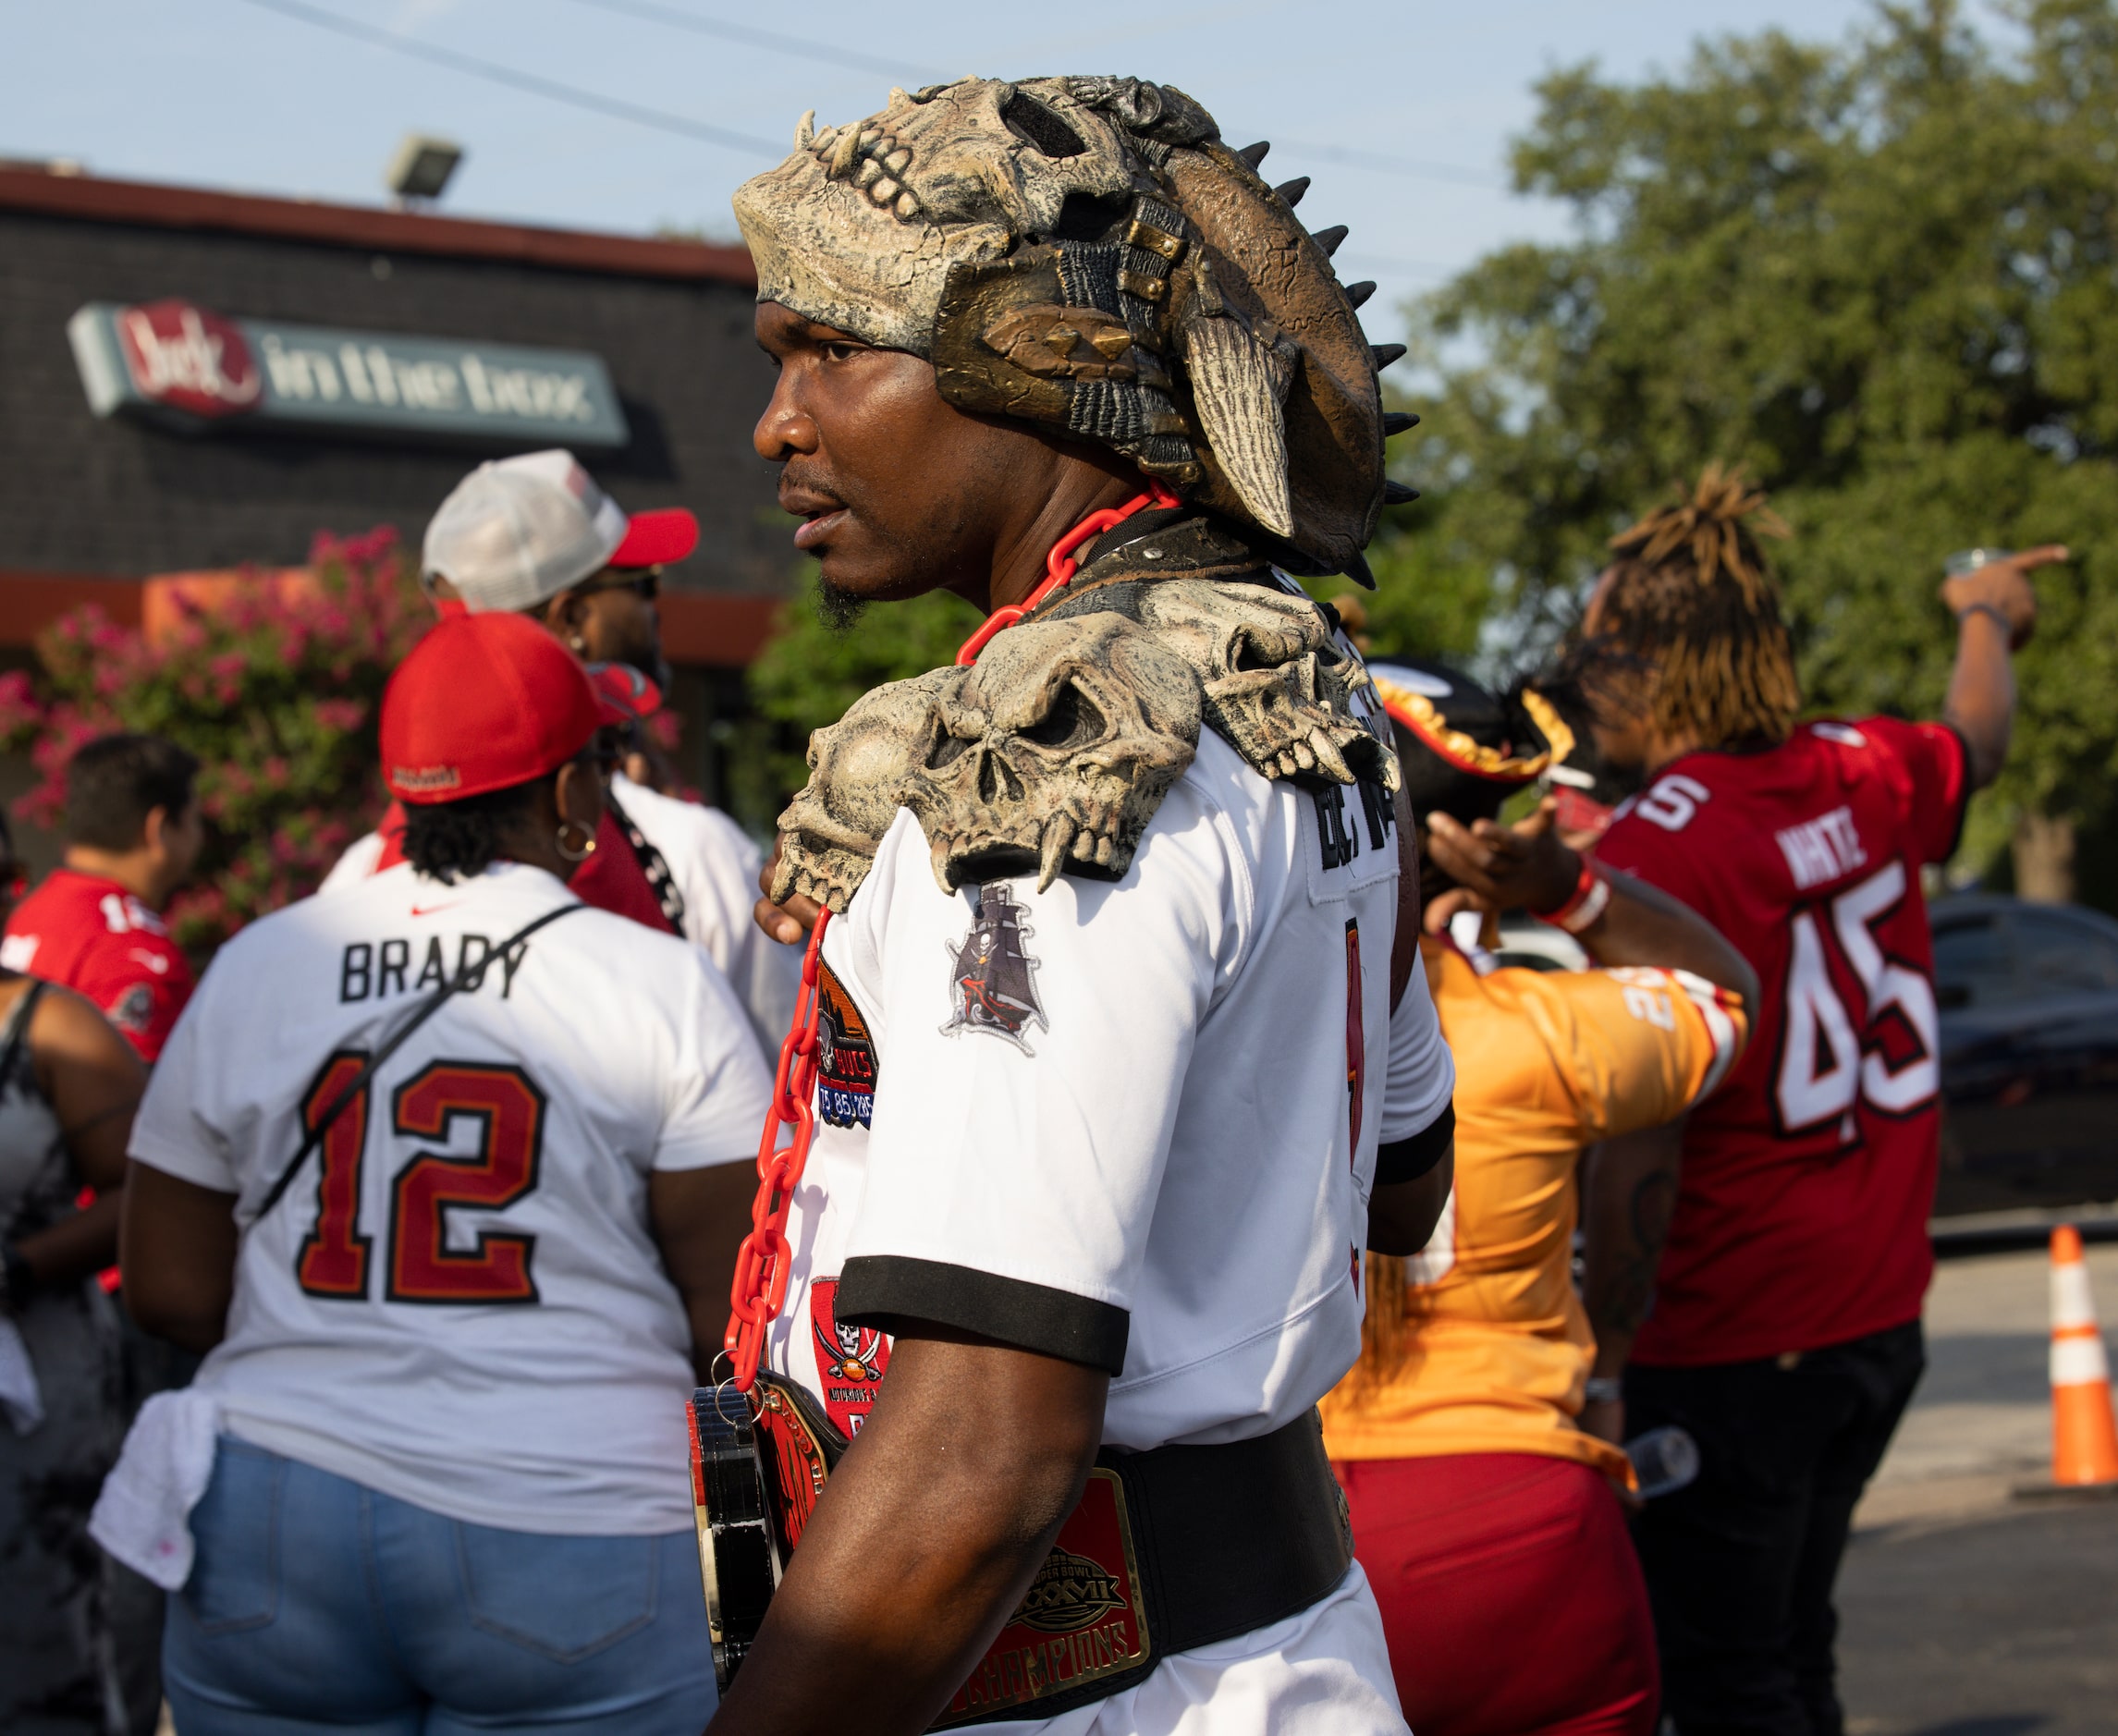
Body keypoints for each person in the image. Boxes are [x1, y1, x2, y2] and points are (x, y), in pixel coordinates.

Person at [716, 76, 1457, 1735]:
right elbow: (1401, 1188)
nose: (780, 422)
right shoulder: (1297, 691)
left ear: (1038, 354)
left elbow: (986, 1442)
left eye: (831, 347)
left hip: (1089, 1687)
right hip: (1268, 1648)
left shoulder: (1063, 752)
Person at [108, 612, 773, 1736]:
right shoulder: (657, 982)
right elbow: (730, 1309)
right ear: (570, 794)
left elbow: (168, 1284)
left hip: (278, 1509)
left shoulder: (265, 959)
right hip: (575, 1514)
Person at [1577, 466, 2061, 1736]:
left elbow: (1638, 1138)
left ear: (1656, 663)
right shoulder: (1864, 766)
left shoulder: (1652, 852)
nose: (1578, 674)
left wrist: (1605, 1364)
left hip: (1729, 1336)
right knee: (1791, 1645)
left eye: (1596, 648)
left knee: (1727, 1680)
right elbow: (1979, 739)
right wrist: (1981, 613)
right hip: (1872, 1318)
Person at [1316, 660, 1754, 1736]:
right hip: (1524, 1513)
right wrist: (1566, 884)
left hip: (1293, 1530)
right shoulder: (1533, 1032)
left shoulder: (1217, 1035)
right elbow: (1723, 994)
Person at [320, 447, 795, 1049]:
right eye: (641, 584)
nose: (654, 608)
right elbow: (782, 1102)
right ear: (572, 618)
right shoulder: (694, 852)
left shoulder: (355, 879)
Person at [0, 802, 152, 1736]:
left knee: (41, 1657)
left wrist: (19, 1266)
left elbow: (155, 1194)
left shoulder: (51, 1030)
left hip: (36, 1399)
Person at [3, 734, 203, 1063]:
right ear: (160, 828)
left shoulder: (27, 912)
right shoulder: (135, 951)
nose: (199, 837)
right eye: (196, 820)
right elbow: (137, 1106)